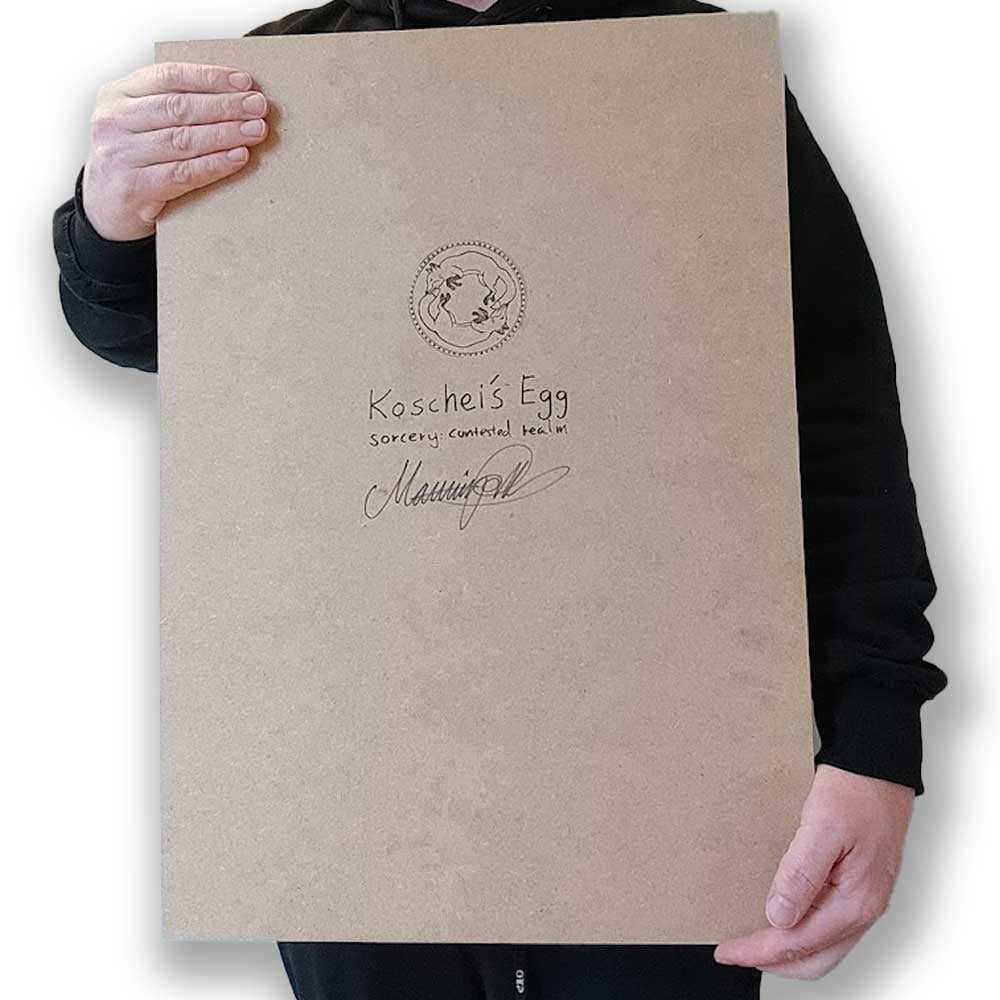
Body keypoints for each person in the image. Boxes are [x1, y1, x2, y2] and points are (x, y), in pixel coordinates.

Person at [51, 1, 948, 997]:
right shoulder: (274, 85)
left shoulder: (691, 74)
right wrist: (108, 219)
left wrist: (876, 738)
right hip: (359, 774)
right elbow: (147, 331)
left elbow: (836, 419)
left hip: (663, 765)